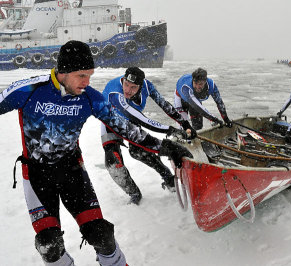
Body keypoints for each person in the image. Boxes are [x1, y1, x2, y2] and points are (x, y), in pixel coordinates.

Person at [0, 40, 191, 265]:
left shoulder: (89, 97)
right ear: (63, 71)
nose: (87, 82)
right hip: (37, 176)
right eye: (82, 75)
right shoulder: (29, 90)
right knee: (48, 244)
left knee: (102, 235)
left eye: (90, 75)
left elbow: (125, 128)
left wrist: (165, 147)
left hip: (72, 172)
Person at [101, 66, 196, 204]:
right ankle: (134, 194)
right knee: (112, 161)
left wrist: (185, 124)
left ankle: (167, 177)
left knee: (138, 151)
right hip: (111, 123)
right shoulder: (115, 93)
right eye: (126, 84)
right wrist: (170, 130)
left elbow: (164, 105)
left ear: (140, 86)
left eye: (133, 87)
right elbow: (141, 119)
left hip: (131, 120)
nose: (127, 90)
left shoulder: (146, 85)